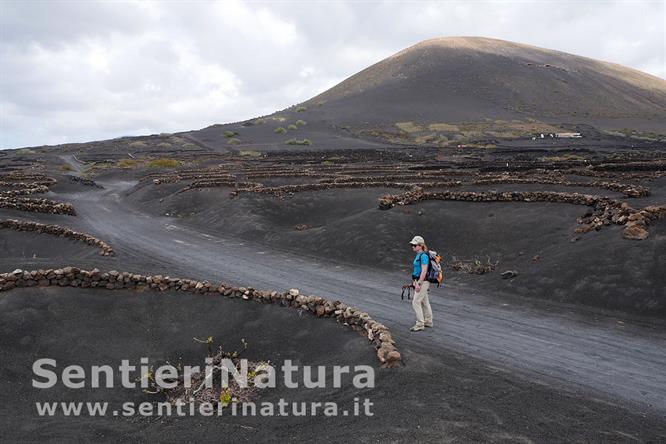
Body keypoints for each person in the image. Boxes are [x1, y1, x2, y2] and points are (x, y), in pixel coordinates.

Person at [409, 235, 433, 331]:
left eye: (414, 245)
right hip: (419, 280)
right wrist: (415, 281)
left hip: (423, 281)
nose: (413, 247)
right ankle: (428, 321)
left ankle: (420, 324)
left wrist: (419, 283)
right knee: (424, 301)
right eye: (412, 245)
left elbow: (424, 271)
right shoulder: (419, 255)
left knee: (416, 302)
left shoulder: (423, 256)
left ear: (420, 245)